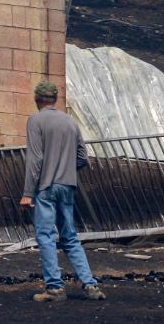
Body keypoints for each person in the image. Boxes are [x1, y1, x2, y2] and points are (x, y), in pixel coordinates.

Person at [20, 81, 105, 302]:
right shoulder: (70, 122)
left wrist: (28, 192)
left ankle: (55, 288)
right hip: (67, 186)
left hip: (46, 187)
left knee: (46, 236)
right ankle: (91, 286)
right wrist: (66, 169)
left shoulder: (35, 120)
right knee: (70, 237)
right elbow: (82, 158)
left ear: (37, 99)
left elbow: (35, 159)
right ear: (55, 99)